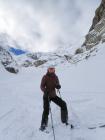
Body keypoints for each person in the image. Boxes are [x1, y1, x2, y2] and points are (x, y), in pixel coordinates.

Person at [40, 66, 68, 131]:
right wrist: (45, 90)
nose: (51, 70)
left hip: (53, 95)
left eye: (53, 69)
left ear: (54, 70)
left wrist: (58, 86)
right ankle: (43, 125)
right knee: (46, 110)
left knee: (63, 104)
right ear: (48, 69)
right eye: (50, 69)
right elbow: (41, 86)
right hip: (46, 96)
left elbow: (57, 84)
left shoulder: (56, 77)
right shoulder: (45, 77)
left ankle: (64, 121)